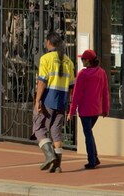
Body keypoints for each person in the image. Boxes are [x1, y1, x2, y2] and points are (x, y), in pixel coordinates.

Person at [33, 32, 74, 173]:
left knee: (38, 128)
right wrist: (69, 104)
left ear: (49, 42)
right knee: (56, 131)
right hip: (62, 101)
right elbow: (71, 86)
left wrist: (38, 100)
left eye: (46, 41)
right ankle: (57, 165)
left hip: (48, 99)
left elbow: (42, 82)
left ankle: (49, 155)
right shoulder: (68, 61)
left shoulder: (46, 59)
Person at [68, 49, 109, 170]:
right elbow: (105, 92)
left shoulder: (82, 74)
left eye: (83, 59)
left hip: (85, 110)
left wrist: (71, 111)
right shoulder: (102, 72)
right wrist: (105, 109)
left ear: (88, 61)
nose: (81, 61)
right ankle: (94, 157)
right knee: (89, 133)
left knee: (88, 135)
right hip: (96, 110)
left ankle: (92, 160)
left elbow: (76, 95)